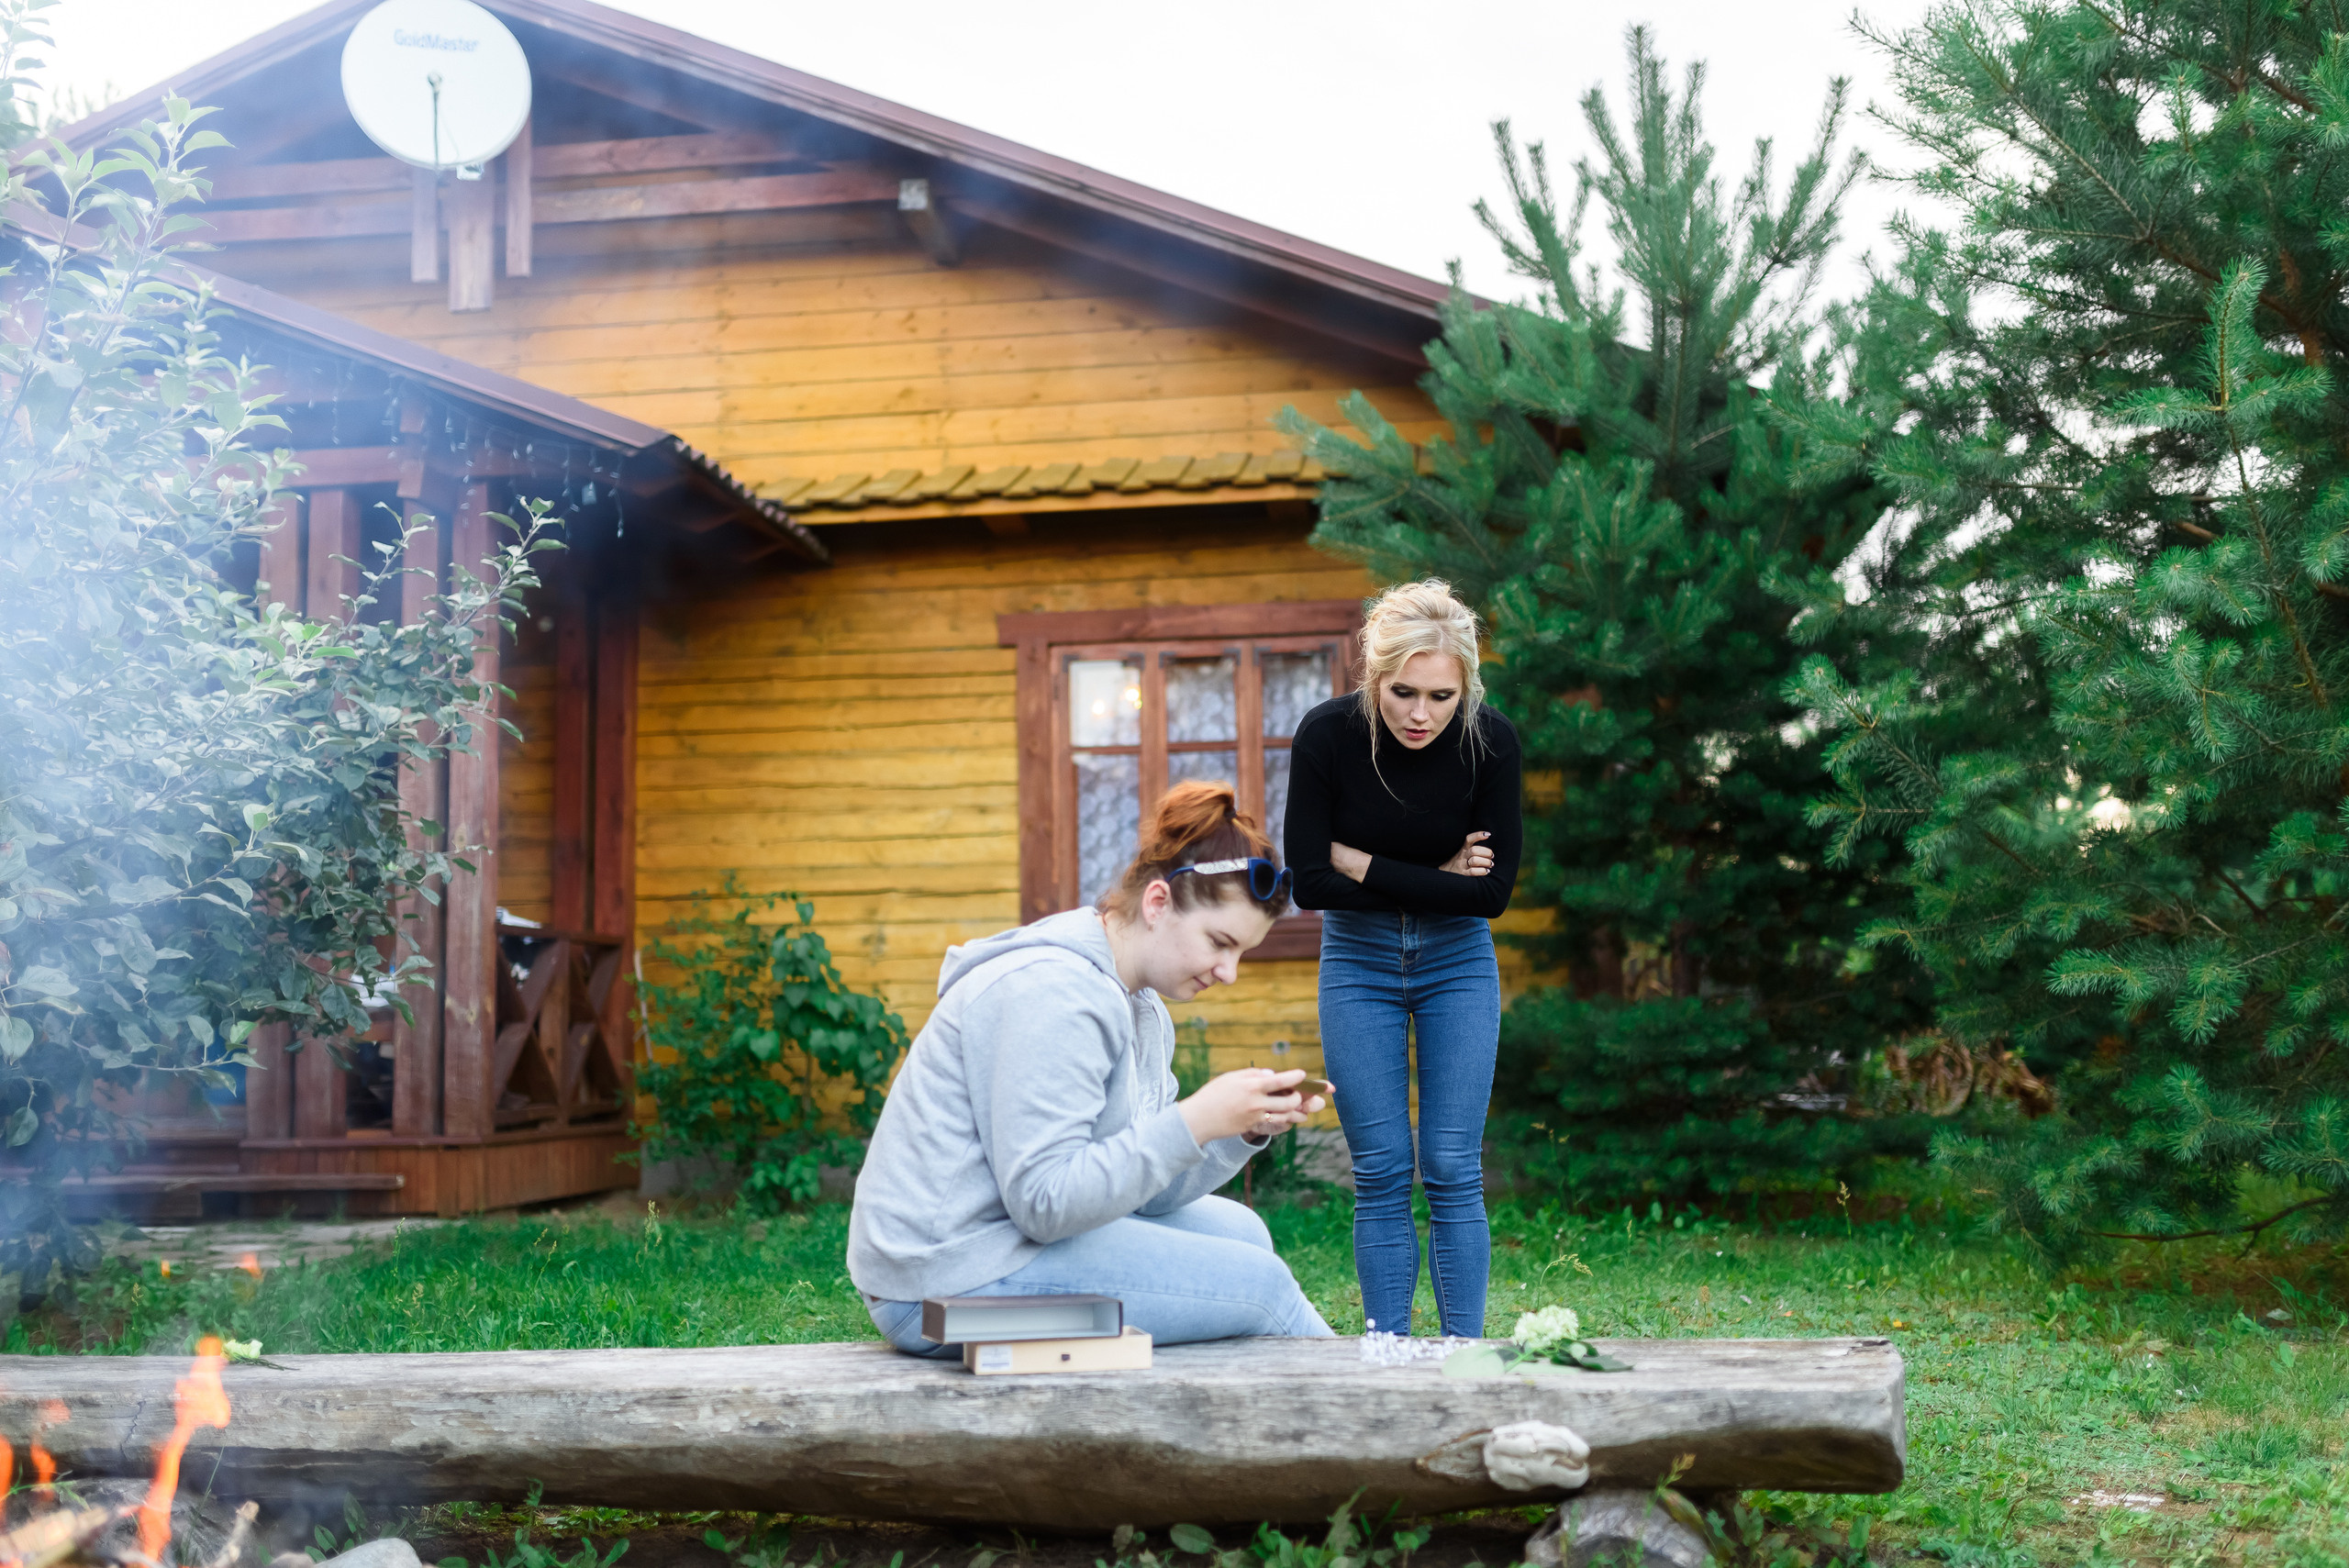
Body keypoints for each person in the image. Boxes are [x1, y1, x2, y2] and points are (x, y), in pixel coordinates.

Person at [849, 781, 1335, 1355]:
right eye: (1219, 942)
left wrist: (1239, 1131)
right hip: (937, 1284)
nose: (1229, 972)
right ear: (1157, 904)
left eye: (1241, 953)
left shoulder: (1142, 1005)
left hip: (1004, 1240)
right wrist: (1196, 1119)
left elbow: (1144, 1192)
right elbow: (1045, 1202)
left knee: (1245, 1234)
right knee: (1263, 1290)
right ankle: (1373, 1408)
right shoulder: (1055, 993)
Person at [1285, 579, 1520, 1339]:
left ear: (1467, 687)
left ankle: (1465, 1359)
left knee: (1453, 1168)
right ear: (1373, 676)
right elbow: (1309, 881)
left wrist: (1362, 860)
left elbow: (1490, 898)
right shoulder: (1326, 737)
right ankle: (1387, 1356)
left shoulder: (1491, 742)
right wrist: (1437, 877)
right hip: (1358, 962)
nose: (1422, 714)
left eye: (1443, 696)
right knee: (1381, 1170)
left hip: (1458, 961)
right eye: (1404, 692)